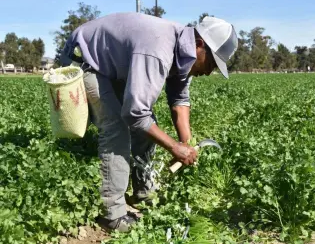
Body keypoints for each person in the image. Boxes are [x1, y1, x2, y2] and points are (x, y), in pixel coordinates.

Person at [59, 12, 238, 232]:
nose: (210, 71)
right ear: (199, 45)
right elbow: (135, 114)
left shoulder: (185, 53)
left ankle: (143, 192)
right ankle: (113, 215)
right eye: (211, 62)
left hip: (113, 65)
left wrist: (185, 143)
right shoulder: (158, 49)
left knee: (147, 123)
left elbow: (180, 101)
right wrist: (174, 147)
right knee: (117, 126)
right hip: (85, 59)